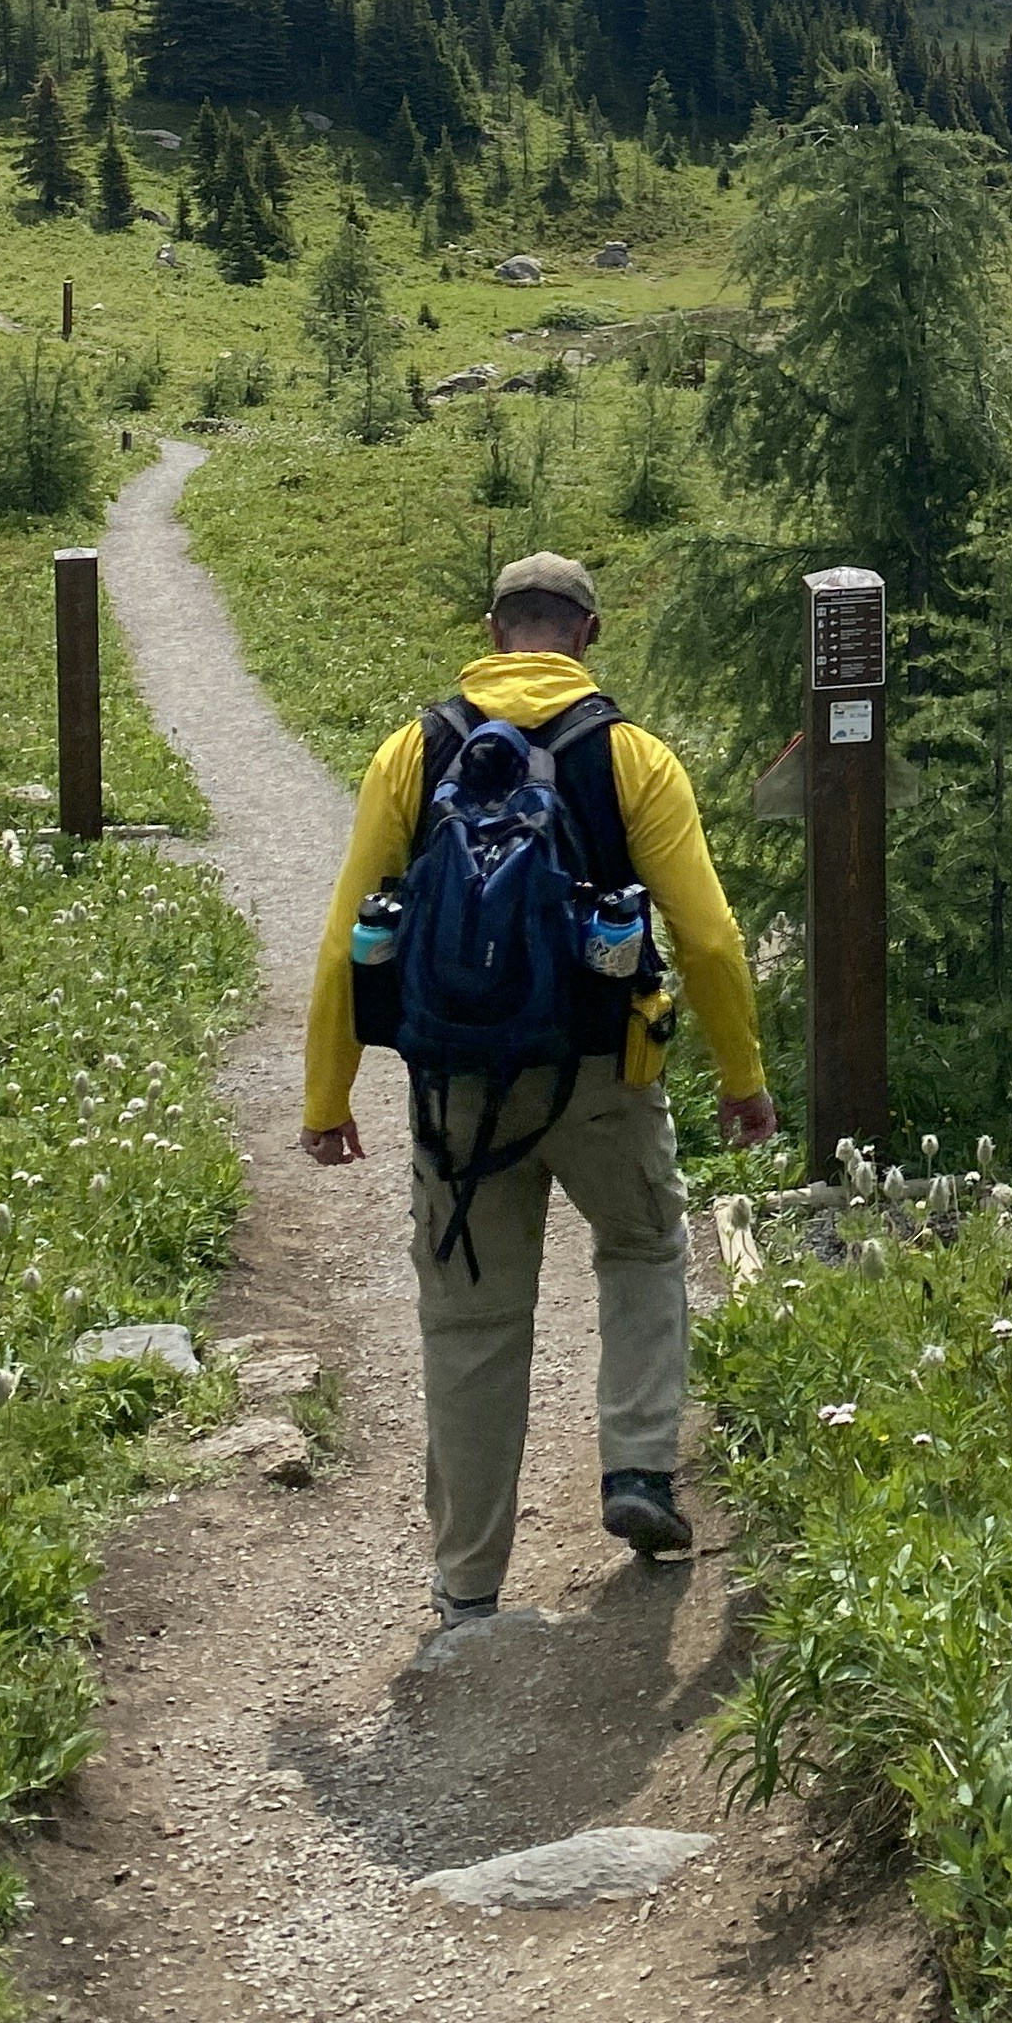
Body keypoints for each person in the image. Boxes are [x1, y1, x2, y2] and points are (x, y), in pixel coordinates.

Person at [301, 551, 778, 1626]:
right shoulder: (632, 757)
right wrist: (743, 1081)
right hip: (607, 1071)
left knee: (471, 1323)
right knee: (646, 1247)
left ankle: (468, 1582)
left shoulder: (411, 753)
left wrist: (327, 1098)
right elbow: (706, 938)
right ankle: (639, 1472)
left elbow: (344, 943)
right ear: (587, 634)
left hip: (455, 1092)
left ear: (493, 628)